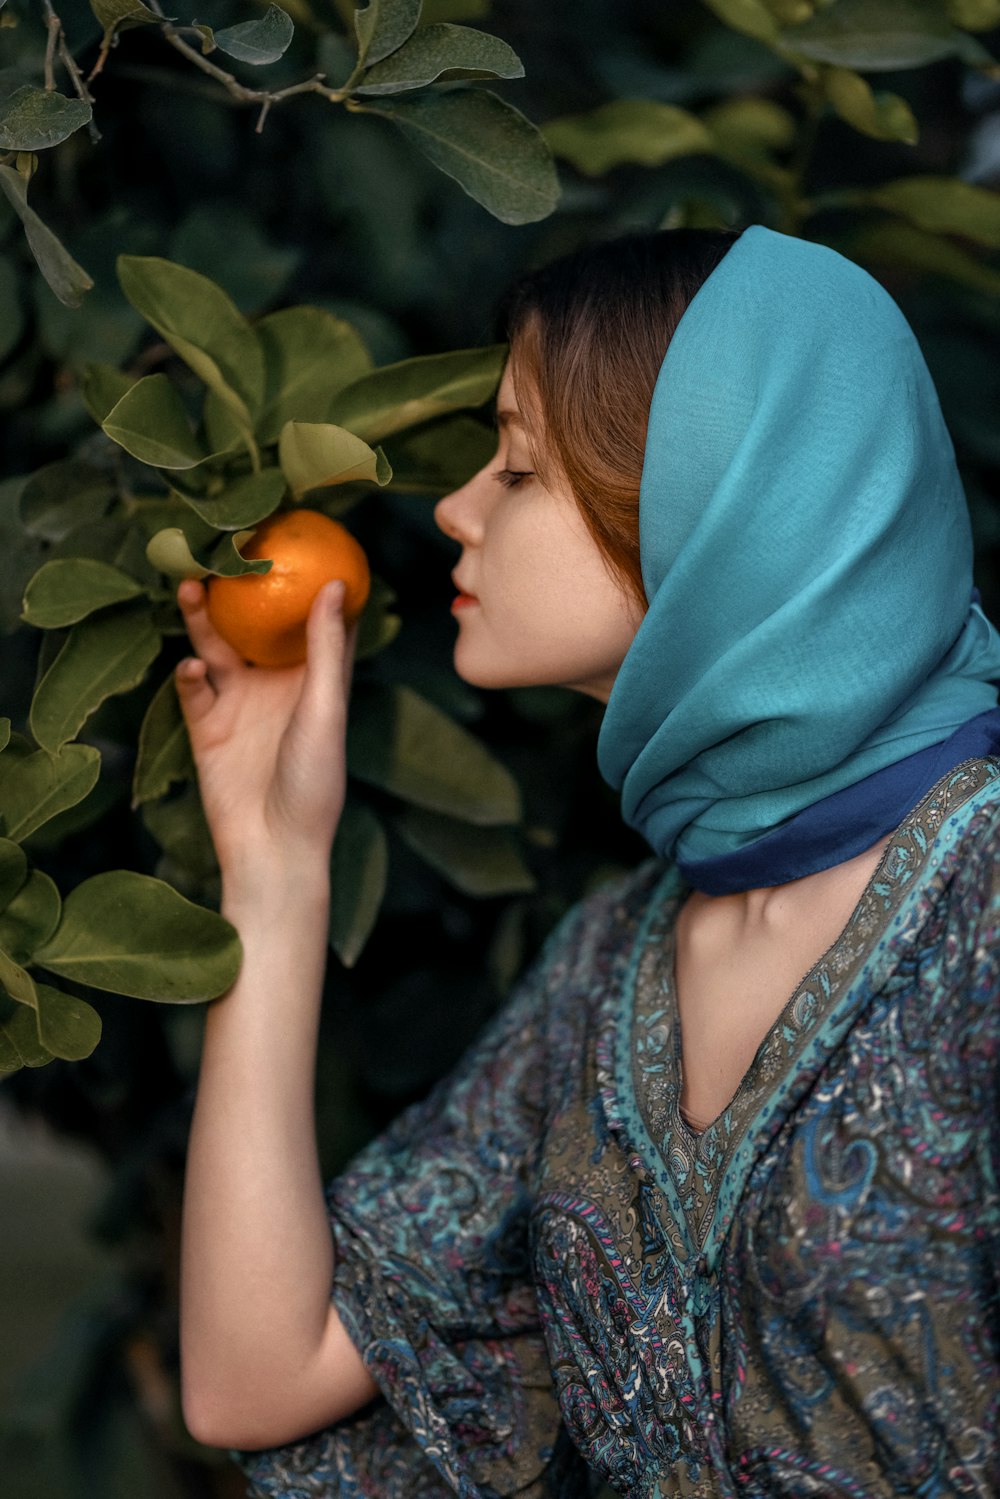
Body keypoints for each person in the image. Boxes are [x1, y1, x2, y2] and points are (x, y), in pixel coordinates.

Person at [175, 226, 1000, 1498]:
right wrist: (274, 876)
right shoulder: (614, 961)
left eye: (515, 467)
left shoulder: (983, 904)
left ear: (720, 503)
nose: (454, 506)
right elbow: (256, 1374)